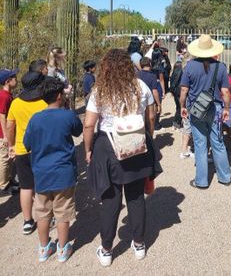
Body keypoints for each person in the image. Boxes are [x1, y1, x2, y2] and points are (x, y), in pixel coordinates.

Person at [83, 49, 160, 267]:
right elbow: (151, 116)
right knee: (136, 197)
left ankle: (106, 249)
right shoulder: (140, 86)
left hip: (108, 146)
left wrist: (87, 149)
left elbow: (89, 124)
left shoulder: (100, 90)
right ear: (128, 66)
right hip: (136, 144)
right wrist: (147, 138)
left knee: (111, 199)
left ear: (105, 67)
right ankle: (139, 244)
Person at [23, 77, 83, 263]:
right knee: (63, 211)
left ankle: (44, 248)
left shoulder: (35, 119)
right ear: (59, 96)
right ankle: (63, 248)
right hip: (64, 172)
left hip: (41, 173)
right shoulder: (67, 115)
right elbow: (78, 131)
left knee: (42, 211)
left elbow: (27, 144)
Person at [180, 34, 231, 189]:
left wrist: (182, 106)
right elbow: (226, 92)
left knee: (200, 144)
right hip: (215, 108)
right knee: (218, 142)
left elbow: (184, 90)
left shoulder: (189, 66)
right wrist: (227, 108)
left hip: (196, 108)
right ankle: (224, 177)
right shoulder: (221, 67)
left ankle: (201, 180)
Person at [6, 71, 47, 234]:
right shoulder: (45, 101)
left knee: (26, 186)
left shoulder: (16, 103)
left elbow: (10, 127)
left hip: (23, 149)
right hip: (43, 149)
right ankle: (45, 217)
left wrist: (12, 146)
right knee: (43, 185)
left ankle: (28, 221)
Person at [0, 68, 18, 197]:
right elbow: (2, 115)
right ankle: (3, 185)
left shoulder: (7, 95)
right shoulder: (4, 96)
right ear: (8, 81)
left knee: (9, 159)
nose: (16, 79)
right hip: (3, 135)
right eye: (14, 77)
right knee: (4, 159)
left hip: (6, 133)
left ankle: (8, 180)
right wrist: (6, 136)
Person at [169, 59, 184, 130]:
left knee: (178, 107)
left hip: (176, 92)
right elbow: (176, 83)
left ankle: (177, 123)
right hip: (178, 92)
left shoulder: (174, 72)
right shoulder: (179, 71)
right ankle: (176, 123)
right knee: (180, 108)